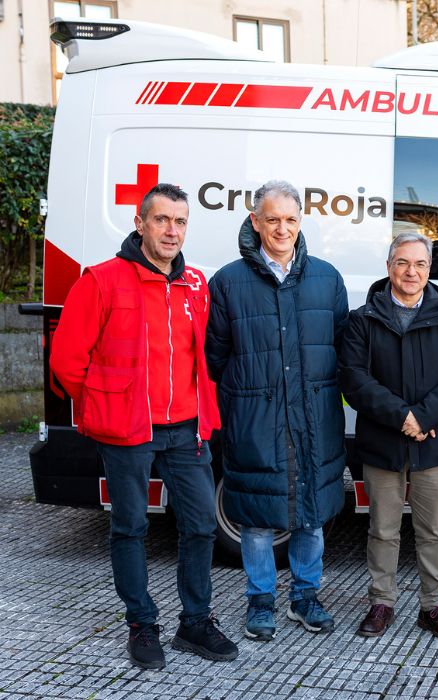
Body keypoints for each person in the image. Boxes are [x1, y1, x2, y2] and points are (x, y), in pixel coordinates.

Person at [50, 183, 237, 669]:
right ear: (140, 224)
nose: (172, 231)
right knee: (130, 527)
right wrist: (106, 404)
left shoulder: (195, 283)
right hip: (128, 430)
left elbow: (205, 357)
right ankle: (141, 623)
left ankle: (195, 622)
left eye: (180, 222)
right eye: (162, 220)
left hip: (186, 429)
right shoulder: (102, 280)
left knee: (199, 526)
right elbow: (68, 360)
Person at [206, 180, 349, 642]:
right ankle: (261, 602)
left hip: (313, 418)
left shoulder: (328, 278)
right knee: (257, 519)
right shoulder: (228, 282)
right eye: (272, 219)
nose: (281, 228)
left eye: (290, 219)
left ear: (301, 221)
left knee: (311, 514)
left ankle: (306, 596)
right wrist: (244, 403)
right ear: (255, 222)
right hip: (255, 420)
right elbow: (215, 357)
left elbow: (342, 350)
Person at [339, 232, 438, 640]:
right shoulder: (362, 319)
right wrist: (404, 417)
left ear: (430, 270)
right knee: (382, 528)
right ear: (388, 267)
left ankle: (433, 606)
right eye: (402, 262)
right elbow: (355, 380)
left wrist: (424, 415)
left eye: (419, 264)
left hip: (434, 443)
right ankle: (382, 602)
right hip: (384, 440)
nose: (410, 272)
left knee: (433, 530)